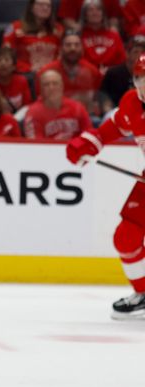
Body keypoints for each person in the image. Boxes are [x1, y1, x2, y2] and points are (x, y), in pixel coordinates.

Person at [66, 53, 145, 319]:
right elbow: (112, 127)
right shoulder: (132, 104)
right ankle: (143, 292)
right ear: (134, 81)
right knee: (126, 236)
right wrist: (88, 143)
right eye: (141, 79)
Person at [37, 31, 102, 114]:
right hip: (53, 115)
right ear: (60, 48)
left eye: (77, 45)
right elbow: (40, 101)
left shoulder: (92, 71)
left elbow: (97, 99)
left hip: (85, 116)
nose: (73, 48)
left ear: (82, 48)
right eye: (68, 45)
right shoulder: (46, 72)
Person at [23, 69, 91, 139]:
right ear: (41, 89)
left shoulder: (78, 107)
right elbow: (35, 145)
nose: (51, 88)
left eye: (55, 83)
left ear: (62, 86)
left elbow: (88, 136)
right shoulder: (33, 113)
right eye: (46, 84)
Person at [2, 0, 64, 74]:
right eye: (41, 4)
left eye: (48, 6)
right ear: (31, 7)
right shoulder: (16, 28)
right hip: (25, 74)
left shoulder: (59, 29)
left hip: (52, 74)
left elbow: (63, 54)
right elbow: (6, 54)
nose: (45, 8)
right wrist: (28, 69)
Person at [78, 0, 125, 75]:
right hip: (86, 74)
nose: (95, 13)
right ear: (85, 15)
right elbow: (77, 60)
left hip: (112, 74)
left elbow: (121, 59)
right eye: (90, 10)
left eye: (98, 9)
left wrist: (110, 70)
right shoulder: (78, 36)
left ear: (103, 14)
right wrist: (95, 71)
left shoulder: (114, 35)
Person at [100, 33, 145, 110]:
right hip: (117, 112)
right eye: (136, 52)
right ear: (127, 54)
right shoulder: (113, 74)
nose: (140, 56)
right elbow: (103, 96)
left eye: (143, 52)